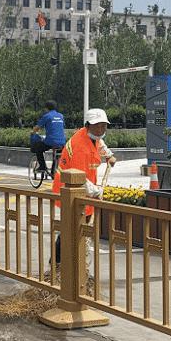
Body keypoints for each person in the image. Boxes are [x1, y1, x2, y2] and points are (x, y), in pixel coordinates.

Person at [52, 108, 117, 263]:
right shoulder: (80, 147)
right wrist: (97, 191)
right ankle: (60, 262)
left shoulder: (90, 136)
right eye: (97, 126)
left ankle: (71, 260)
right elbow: (80, 179)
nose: (101, 130)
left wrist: (108, 155)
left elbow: (99, 144)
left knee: (79, 225)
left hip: (81, 189)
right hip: (70, 189)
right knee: (72, 226)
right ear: (88, 125)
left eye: (104, 125)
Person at [30, 101, 66, 175]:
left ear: (46, 108)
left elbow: (37, 127)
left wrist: (32, 132)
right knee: (56, 152)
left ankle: (42, 167)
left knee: (38, 148)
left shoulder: (47, 116)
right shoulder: (61, 116)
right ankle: (54, 172)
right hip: (62, 142)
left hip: (50, 141)